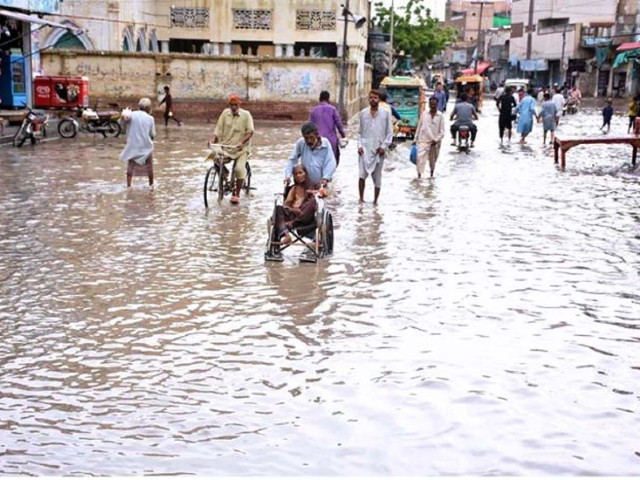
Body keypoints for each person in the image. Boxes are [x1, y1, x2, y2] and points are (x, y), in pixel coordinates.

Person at [209, 94, 254, 204]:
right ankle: (225, 176)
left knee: (239, 169)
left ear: (239, 105)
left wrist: (241, 142)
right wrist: (213, 140)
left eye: (235, 105)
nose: (233, 107)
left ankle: (237, 193)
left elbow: (250, 132)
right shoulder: (225, 114)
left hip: (240, 149)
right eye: (231, 105)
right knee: (214, 158)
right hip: (226, 147)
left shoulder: (246, 115)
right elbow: (218, 130)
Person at [357, 89, 393, 204]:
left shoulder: (385, 114)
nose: (373, 100)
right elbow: (359, 133)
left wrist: (383, 147)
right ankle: (361, 199)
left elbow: (389, 133)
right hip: (365, 150)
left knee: (377, 178)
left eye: (375, 98)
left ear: (379, 99)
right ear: (369, 99)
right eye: (371, 97)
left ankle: (375, 201)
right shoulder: (363, 113)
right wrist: (359, 146)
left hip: (378, 151)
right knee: (362, 175)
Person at [273, 164, 321, 248]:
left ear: (305, 173)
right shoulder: (293, 188)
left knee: (313, 201)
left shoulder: (314, 186)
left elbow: (324, 193)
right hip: (293, 215)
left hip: (307, 217)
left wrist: (315, 192)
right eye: (296, 174)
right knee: (278, 207)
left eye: (300, 173)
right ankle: (286, 235)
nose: (298, 176)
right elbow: (286, 205)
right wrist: (292, 210)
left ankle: (293, 224)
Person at [284, 122, 336, 188]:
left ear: (317, 135)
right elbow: (292, 160)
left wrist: (326, 178)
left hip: (322, 183)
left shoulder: (325, 144)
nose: (309, 141)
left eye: (311, 137)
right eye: (306, 138)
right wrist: (288, 176)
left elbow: (330, 162)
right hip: (305, 183)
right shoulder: (301, 143)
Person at [120, 97, 156, 188]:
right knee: (149, 167)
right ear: (148, 108)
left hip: (133, 145)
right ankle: (151, 185)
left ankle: (128, 185)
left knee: (130, 167)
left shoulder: (131, 115)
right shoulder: (150, 118)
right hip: (146, 146)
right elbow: (152, 134)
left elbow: (122, 126)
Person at [309, 91, 346, 167]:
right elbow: (338, 124)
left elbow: (309, 126)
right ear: (328, 99)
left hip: (317, 141)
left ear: (320, 99)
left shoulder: (314, 110)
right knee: (332, 161)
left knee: (318, 163)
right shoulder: (332, 109)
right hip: (331, 141)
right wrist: (343, 135)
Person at [415, 97, 445, 178]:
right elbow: (419, 126)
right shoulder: (424, 114)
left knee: (432, 160)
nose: (432, 106)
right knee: (419, 158)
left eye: (434, 104)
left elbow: (442, 132)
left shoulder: (440, 116)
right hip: (423, 140)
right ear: (429, 104)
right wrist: (415, 139)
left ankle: (431, 174)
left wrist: (436, 140)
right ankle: (419, 176)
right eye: (431, 104)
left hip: (435, 142)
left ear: (437, 104)